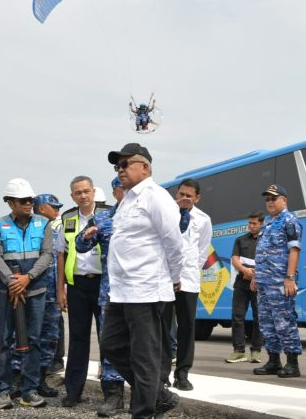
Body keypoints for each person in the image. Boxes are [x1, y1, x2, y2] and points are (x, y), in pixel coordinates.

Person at [100, 143, 183, 419]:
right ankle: (158, 395)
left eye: (125, 164)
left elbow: (174, 242)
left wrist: (174, 278)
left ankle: (144, 412)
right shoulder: (127, 200)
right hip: (121, 291)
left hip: (146, 290)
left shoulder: (156, 197)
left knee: (144, 358)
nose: (120, 170)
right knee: (110, 344)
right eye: (117, 166)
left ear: (144, 167)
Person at [0, 178, 54, 410]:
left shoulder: (43, 224)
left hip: (35, 290)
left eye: (30, 200)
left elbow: (47, 254)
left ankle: (29, 390)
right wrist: (12, 281)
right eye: (23, 200)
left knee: (34, 341)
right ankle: (2, 390)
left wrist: (28, 278)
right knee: (4, 340)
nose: (29, 203)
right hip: (8, 293)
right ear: (10, 203)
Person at [75, 176, 127, 416]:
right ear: (114, 192)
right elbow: (81, 246)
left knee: (145, 342)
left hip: (144, 290)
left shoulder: (147, 213)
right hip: (111, 292)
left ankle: (150, 394)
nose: (126, 192)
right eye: (122, 189)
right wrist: (85, 236)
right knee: (111, 343)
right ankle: (113, 395)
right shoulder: (104, 217)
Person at [57, 176, 109, 407]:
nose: (83, 196)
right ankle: (73, 391)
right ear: (72, 196)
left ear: (94, 192)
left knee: (108, 338)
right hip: (77, 285)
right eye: (78, 193)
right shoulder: (67, 218)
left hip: (103, 285)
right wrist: (61, 289)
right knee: (78, 339)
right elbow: (61, 254)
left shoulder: (108, 214)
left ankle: (112, 391)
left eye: (86, 191)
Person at [161, 178, 212, 391]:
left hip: (189, 282)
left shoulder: (203, 219)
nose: (184, 198)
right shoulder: (166, 214)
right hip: (164, 280)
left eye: (189, 195)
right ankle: (162, 374)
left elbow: (202, 251)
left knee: (186, 328)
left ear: (197, 198)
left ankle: (182, 373)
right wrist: (171, 274)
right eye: (181, 194)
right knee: (163, 328)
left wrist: (185, 273)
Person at [251, 184, 303, 378]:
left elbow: (294, 251)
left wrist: (289, 278)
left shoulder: (290, 221)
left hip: (280, 282)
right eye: (268, 199)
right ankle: (273, 360)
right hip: (264, 281)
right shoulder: (268, 223)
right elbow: (262, 252)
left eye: (274, 198)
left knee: (284, 322)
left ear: (285, 200)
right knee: (266, 322)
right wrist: (256, 275)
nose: (270, 202)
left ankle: (292, 363)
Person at [32, 193, 65, 399]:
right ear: (42, 208)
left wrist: (61, 290)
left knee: (49, 339)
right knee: (28, 336)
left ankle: (41, 379)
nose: (58, 210)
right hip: (35, 293)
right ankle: (20, 379)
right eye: (54, 206)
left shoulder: (55, 232)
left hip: (53, 295)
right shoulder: (32, 230)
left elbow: (61, 260)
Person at [226, 212, 264, 363]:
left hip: (259, 285)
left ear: (261, 224)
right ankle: (239, 351)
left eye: (254, 223)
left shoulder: (267, 240)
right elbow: (235, 259)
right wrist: (244, 270)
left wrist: (256, 274)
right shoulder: (240, 240)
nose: (251, 226)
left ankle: (256, 351)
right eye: (250, 223)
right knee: (237, 317)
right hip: (241, 284)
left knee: (259, 318)